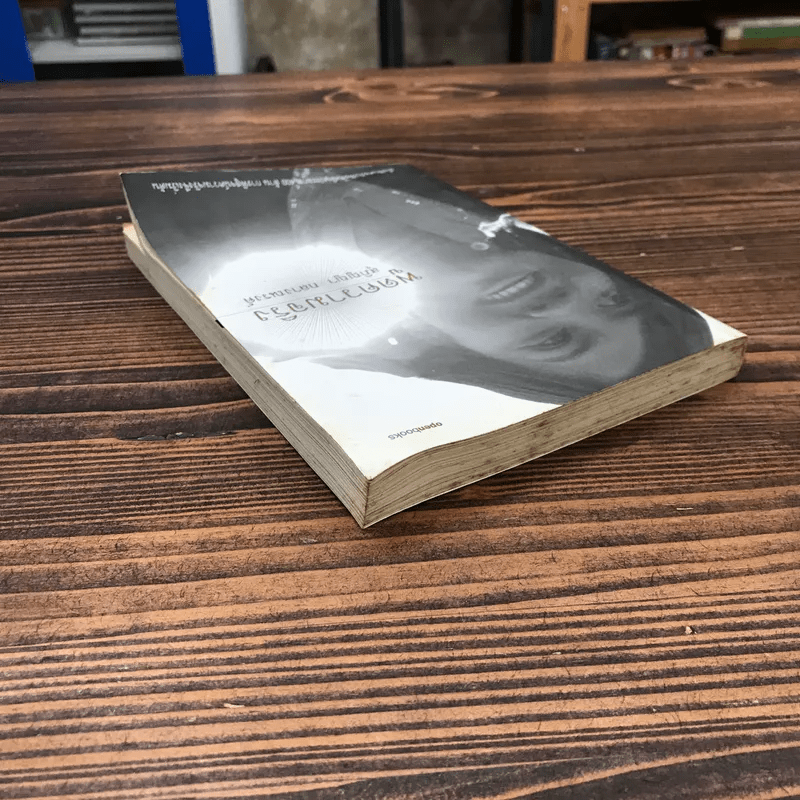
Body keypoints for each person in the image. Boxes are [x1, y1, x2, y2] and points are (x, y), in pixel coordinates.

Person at [285, 172, 714, 405]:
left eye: (556, 339)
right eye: (613, 299)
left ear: (459, 354)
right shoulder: (472, 187)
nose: (565, 302)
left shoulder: (291, 297)